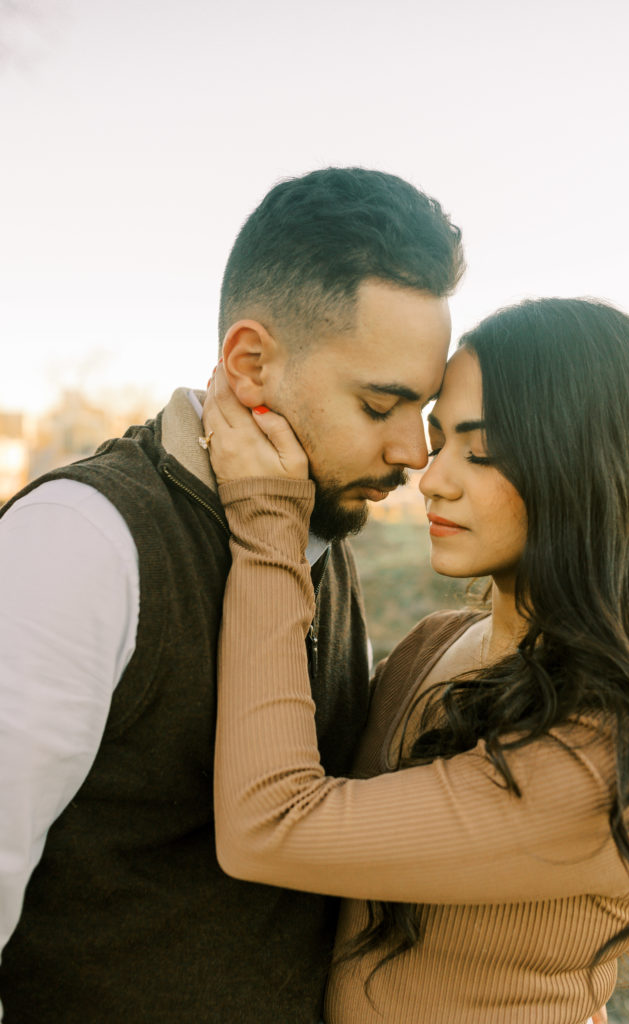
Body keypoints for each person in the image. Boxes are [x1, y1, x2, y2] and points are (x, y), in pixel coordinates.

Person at [0, 168, 463, 1022]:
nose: (412, 451)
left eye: (423, 410)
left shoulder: (323, 531)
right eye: (380, 403)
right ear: (250, 362)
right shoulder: (83, 540)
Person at [203, 296, 629, 1023]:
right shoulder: (432, 644)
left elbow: (269, 824)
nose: (431, 480)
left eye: (480, 451)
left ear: (586, 470)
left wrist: (268, 521)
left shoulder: (618, 749)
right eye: (438, 443)